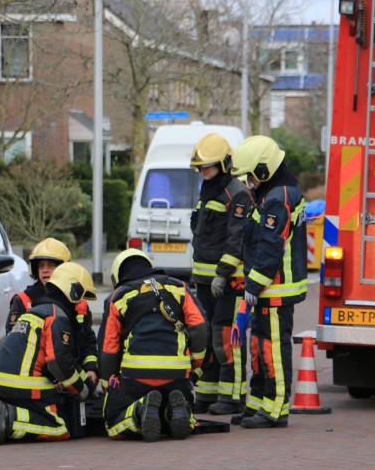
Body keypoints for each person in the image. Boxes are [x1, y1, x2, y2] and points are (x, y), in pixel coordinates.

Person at [0, 262, 98, 446]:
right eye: (79, 298)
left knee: (29, 414)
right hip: (24, 387)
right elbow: (59, 362)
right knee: (59, 426)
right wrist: (82, 389)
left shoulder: (35, 312)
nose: (79, 303)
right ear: (72, 292)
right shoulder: (57, 317)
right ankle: (10, 419)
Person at [230, 136, 308, 429]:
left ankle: (275, 410)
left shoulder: (278, 198)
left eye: (249, 175)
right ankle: (258, 403)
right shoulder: (272, 194)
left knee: (273, 347)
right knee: (258, 346)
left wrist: (253, 285)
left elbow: (270, 246)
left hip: (275, 288)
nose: (247, 181)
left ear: (263, 170)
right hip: (266, 287)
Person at [100, 249, 208, 442]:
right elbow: (200, 328)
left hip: (136, 376)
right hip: (177, 374)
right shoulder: (179, 287)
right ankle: (172, 412)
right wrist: (195, 367)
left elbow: (109, 347)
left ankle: (139, 411)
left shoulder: (118, 297)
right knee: (183, 406)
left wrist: (108, 382)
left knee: (112, 420)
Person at [189, 133, 252, 415]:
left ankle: (232, 396)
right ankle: (207, 393)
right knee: (207, 337)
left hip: (226, 282)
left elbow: (235, 237)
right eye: (202, 168)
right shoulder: (208, 190)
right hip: (204, 280)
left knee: (225, 337)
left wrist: (223, 274)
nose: (205, 173)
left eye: (210, 168)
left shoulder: (236, 193)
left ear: (224, 165)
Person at [9, 238, 99, 384]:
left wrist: (91, 368)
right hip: (35, 379)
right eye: (41, 265)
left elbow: (87, 340)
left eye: (51, 265)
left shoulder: (78, 302)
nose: (45, 269)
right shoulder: (23, 301)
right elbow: (14, 345)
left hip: (70, 374)